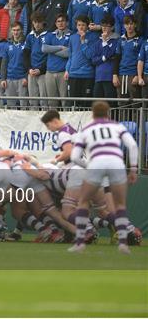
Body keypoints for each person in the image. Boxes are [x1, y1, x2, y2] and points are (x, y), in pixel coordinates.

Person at [69, 101, 138, 254]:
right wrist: (133, 169)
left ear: (93, 114)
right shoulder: (117, 126)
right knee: (120, 205)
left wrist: (88, 165)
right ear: (108, 113)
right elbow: (133, 146)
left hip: (97, 163)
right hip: (116, 163)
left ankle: (80, 241)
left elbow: (74, 157)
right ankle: (123, 243)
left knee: (83, 202)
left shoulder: (87, 129)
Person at [42, 14, 70, 108]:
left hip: (63, 73)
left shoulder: (71, 35)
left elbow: (68, 53)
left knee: (65, 102)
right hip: (49, 72)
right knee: (52, 103)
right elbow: (44, 48)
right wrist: (60, 47)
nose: (61, 23)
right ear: (55, 23)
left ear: (66, 22)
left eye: (62, 21)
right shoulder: (50, 34)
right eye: (58, 21)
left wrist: (52, 50)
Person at [0, 21, 28, 108]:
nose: (16, 32)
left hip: (22, 78)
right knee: (11, 106)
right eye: (14, 30)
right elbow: (4, 63)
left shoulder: (26, 44)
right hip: (10, 79)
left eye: (18, 30)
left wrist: (26, 77)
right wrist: (3, 79)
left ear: (22, 31)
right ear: (11, 31)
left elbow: (29, 62)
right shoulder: (7, 45)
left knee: (24, 105)